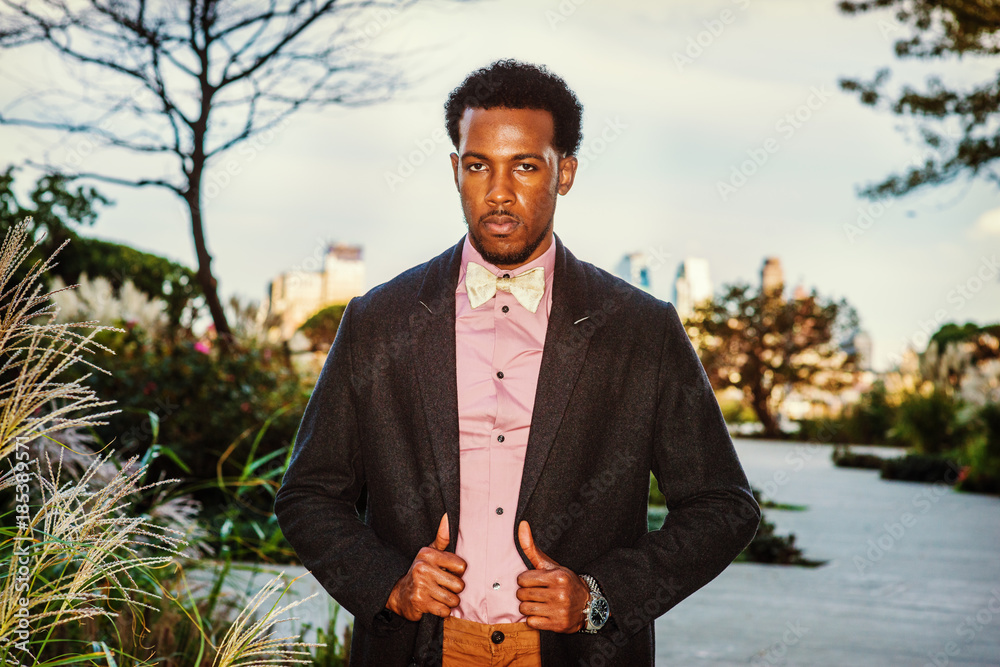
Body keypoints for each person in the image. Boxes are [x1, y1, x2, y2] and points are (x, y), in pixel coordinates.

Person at [273, 58, 761, 667]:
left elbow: (723, 505)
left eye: (525, 166)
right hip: (419, 650)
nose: (498, 193)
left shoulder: (640, 329)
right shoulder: (379, 320)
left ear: (566, 173)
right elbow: (309, 493)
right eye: (478, 166)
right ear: (456, 171)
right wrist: (390, 584)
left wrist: (600, 597)